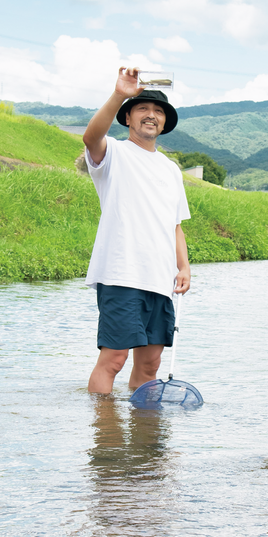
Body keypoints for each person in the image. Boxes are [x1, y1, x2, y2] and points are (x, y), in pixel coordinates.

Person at [82, 67, 191, 394]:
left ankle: (143, 436)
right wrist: (119, 93)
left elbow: (175, 225)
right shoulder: (113, 153)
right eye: (143, 108)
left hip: (159, 278)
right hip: (121, 272)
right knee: (114, 359)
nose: (151, 115)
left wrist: (183, 266)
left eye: (158, 111)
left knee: (150, 364)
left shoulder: (171, 171)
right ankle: (105, 438)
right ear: (127, 116)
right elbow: (90, 137)